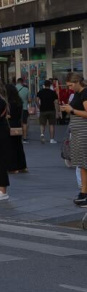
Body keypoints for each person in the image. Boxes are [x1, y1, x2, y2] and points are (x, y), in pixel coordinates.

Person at [59, 72, 87, 207]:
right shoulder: (77, 94)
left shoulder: (85, 93)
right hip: (78, 132)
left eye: (71, 85)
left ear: (77, 82)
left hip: (83, 132)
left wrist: (71, 110)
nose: (70, 88)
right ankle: (83, 192)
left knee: (84, 163)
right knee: (81, 163)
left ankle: (84, 193)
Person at [5, 83, 28, 174]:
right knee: (18, 146)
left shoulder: (9, 103)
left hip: (10, 125)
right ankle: (22, 166)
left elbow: (9, 115)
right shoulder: (19, 101)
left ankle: (12, 167)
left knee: (10, 147)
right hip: (17, 125)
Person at [37, 80, 60, 144]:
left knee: (42, 124)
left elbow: (36, 100)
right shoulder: (53, 92)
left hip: (43, 110)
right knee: (51, 125)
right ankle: (52, 139)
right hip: (51, 110)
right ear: (50, 85)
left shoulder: (40, 92)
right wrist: (57, 112)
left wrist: (39, 106)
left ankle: (42, 134)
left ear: (44, 85)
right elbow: (56, 102)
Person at [16, 78, 31, 142]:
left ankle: (17, 137)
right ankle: (24, 138)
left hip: (15, 108)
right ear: (22, 82)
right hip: (24, 108)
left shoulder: (13, 88)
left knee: (17, 122)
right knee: (24, 123)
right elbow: (29, 100)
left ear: (17, 82)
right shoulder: (26, 89)